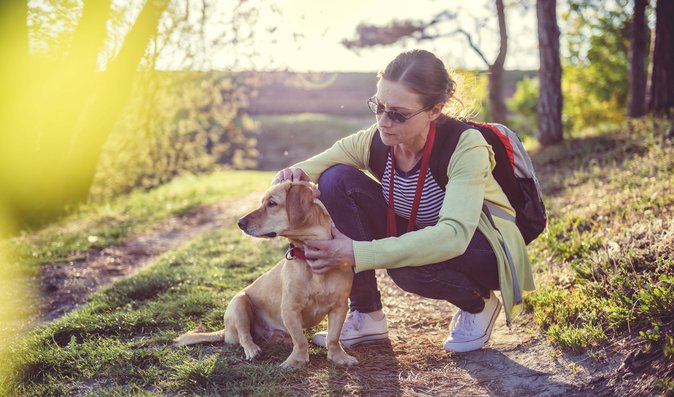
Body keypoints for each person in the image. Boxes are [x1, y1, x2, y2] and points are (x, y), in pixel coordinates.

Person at [272, 49, 535, 353]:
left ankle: (478, 303)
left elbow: (453, 236)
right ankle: (367, 314)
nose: (384, 121)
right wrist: (289, 180)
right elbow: (316, 166)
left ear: (435, 110)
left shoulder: (466, 146)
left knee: (407, 269)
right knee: (335, 179)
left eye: (397, 113)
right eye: (379, 107)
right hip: (426, 231)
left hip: (482, 247)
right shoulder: (378, 139)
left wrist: (357, 252)